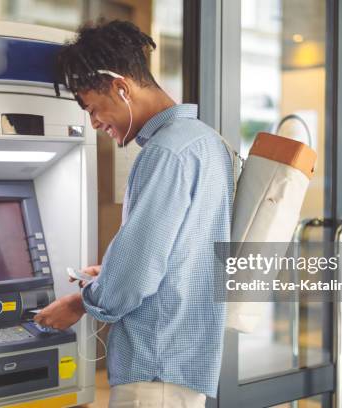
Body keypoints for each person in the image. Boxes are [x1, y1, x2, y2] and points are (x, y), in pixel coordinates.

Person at [34, 19, 233, 407]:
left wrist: (80, 302)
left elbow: (138, 273)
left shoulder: (163, 152)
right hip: (183, 358)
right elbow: (179, 252)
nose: (94, 123)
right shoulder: (207, 142)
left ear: (121, 87)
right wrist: (108, 273)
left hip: (153, 363)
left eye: (93, 107)